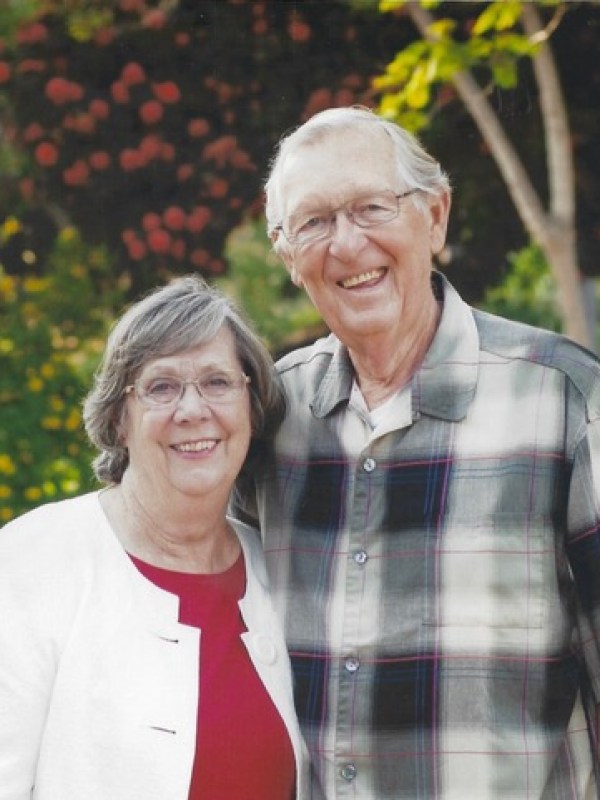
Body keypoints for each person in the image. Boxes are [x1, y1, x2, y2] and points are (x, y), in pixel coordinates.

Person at [232, 105, 600, 799]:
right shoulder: (267, 421)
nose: (347, 244)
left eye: (372, 207)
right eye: (314, 222)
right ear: (286, 255)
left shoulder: (564, 401)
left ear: (435, 216)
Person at [0, 275, 309, 800]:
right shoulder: (34, 560)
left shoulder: (275, 569)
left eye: (217, 382)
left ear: (251, 408)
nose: (192, 410)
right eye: (161, 387)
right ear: (119, 419)